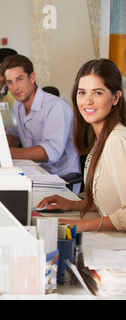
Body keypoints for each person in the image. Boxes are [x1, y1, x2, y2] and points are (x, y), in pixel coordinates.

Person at [37, 59, 126, 232]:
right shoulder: (102, 137)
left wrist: (81, 225)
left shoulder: (117, 140)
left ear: (115, 98)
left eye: (98, 93)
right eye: (82, 92)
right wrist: (73, 204)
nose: (88, 101)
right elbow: (112, 200)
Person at [1, 54, 80, 181]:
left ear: (32, 77)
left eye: (19, 79)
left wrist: (8, 153)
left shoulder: (55, 106)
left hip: (59, 178)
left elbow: (51, 151)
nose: (15, 87)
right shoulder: (17, 105)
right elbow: (13, 136)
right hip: (32, 171)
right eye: (10, 82)